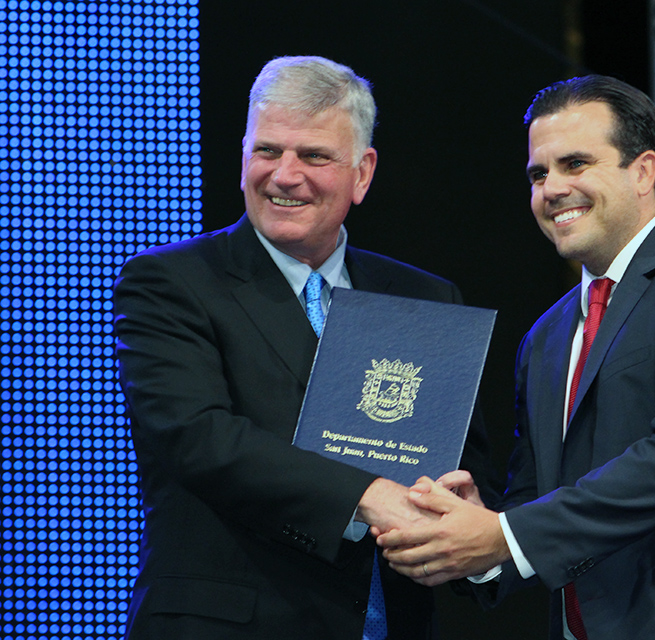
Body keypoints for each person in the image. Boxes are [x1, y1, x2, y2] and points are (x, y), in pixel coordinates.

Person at [377, 75, 655, 639]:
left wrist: (507, 534)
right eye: (539, 174)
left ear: (643, 171)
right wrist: (479, 527)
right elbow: (539, 495)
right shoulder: (546, 335)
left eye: (575, 164)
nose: (552, 188)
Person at [113, 55, 493, 639]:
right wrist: (370, 496)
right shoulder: (172, 282)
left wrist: (464, 512)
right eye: (267, 151)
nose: (285, 175)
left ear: (362, 173)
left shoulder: (424, 297)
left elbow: (469, 464)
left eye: (314, 156)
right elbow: (199, 439)